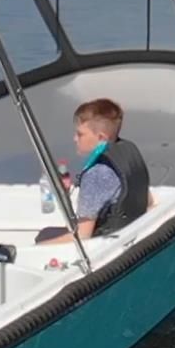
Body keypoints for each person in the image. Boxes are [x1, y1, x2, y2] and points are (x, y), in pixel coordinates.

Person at [35, 98, 152, 244]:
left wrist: (37, 247)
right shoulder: (128, 151)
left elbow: (83, 235)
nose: (74, 138)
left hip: (105, 244)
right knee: (47, 232)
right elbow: (149, 201)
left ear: (101, 137)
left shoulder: (96, 175)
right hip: (130, 233)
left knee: (42, 238)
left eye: (80, 134)